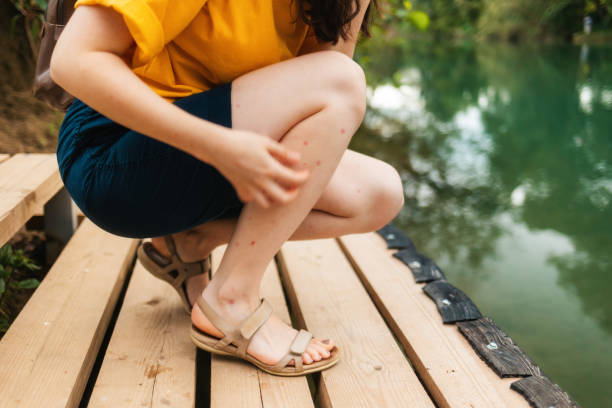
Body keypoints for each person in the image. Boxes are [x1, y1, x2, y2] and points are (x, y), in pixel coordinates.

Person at [50, 0, 404, 376]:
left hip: (204, 149)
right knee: (342, 80)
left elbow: (320, 93)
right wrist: (215, 145)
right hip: (111, 154)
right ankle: (230, 299)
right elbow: (72, 59)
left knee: (377, 194)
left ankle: (190, 240)